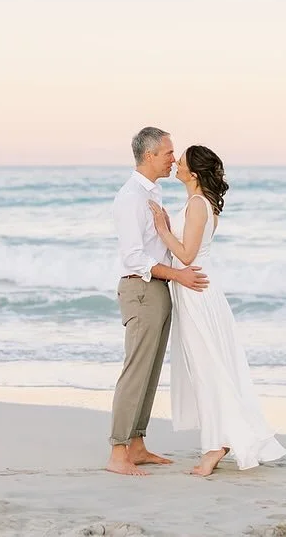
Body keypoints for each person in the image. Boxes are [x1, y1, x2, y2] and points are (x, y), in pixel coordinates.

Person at [148, 144, 286, 476]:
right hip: (193, 291)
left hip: (197, 294)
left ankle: (216, 446)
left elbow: (186, 255)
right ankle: (219, 440)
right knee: (207, 368)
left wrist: (162, 229)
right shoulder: (198, 203)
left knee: (208, 368)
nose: (176, 164)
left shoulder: (198, 204)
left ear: (194, 174)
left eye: (181, 162)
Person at [106, 127, 210, 476]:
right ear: (149, 155)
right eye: (168, 153)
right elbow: (134, 257)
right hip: (141, 288)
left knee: (150, 371)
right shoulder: (131, 197)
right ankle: (118, 452)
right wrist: (178, 274)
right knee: (136, 370)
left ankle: (136, 444)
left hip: (158, 288)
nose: (173, 159)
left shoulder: (153, 192)